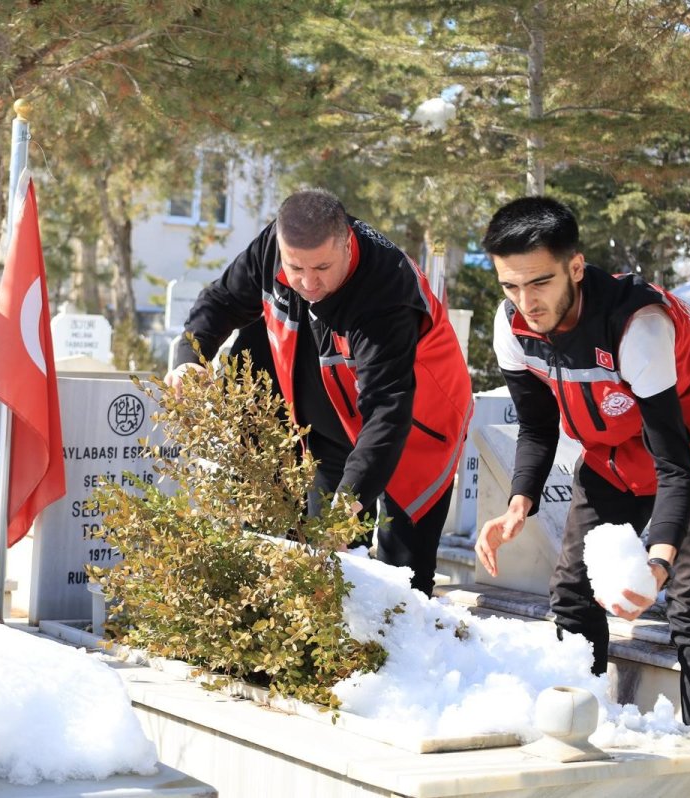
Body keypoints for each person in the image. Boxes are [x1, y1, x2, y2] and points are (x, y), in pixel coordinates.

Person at [475, 196, 690, 738]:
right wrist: (518, 504)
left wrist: (659, 563)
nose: (526, 302)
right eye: (511, 286)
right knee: (571, 592)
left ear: (575, 267)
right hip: (610, 456)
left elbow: (674, 465)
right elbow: (537, 427)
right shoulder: (512, 325)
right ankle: (585, 728)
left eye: (540, 282)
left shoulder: (638, 327)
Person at [166, 189, 472, 595]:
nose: (309, 283)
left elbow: (387, 413)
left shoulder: (385, 294)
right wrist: (190, 358)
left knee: (403, 581)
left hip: (416, 423)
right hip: (331, 418)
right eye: (296, 267)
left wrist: (349, 504)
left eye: (323, 267)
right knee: (322, 564)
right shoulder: (271, 247)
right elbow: (222, 301)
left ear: (346, 243)